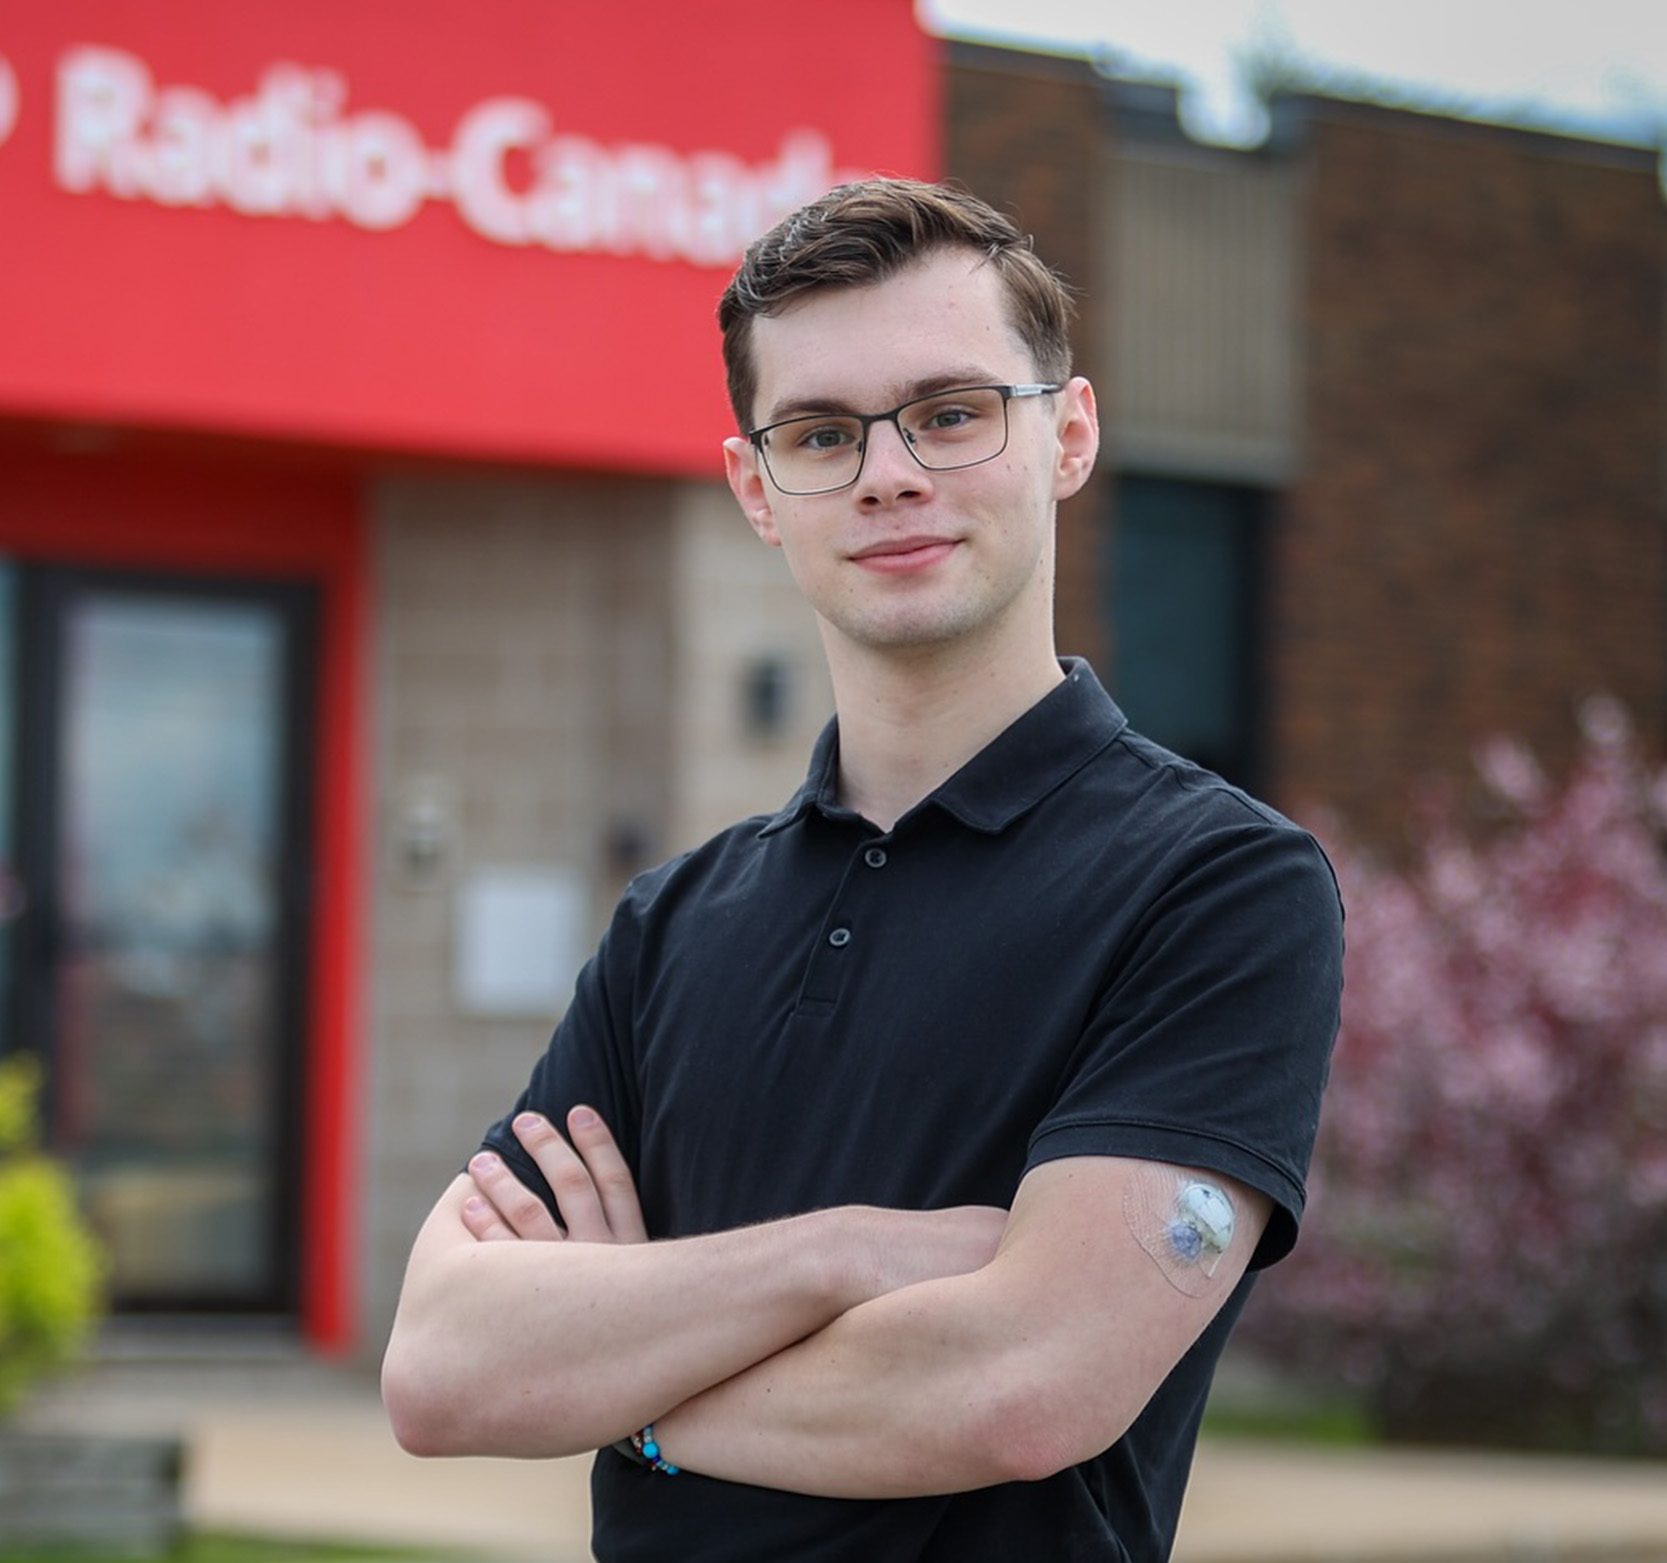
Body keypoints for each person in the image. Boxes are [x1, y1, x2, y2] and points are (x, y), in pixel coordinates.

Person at [382, 177, 1344, 1562]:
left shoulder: (1219, 888)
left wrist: (623, 1381)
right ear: (757, 491)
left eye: (951, 413)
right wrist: (839, 1254)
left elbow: (1023, 1389)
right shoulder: (673, 925)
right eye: (821, 434)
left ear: (1068, 435)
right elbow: (440, 1370)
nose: (888, 472)